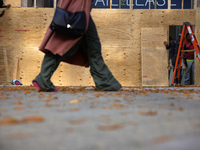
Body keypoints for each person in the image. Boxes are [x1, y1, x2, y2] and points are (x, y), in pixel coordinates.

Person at [32, 0, 122, 92]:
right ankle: (43, 79)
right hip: (75, 7)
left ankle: (105, 83)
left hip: (81, 8)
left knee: (92, 46)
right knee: (64, 45)